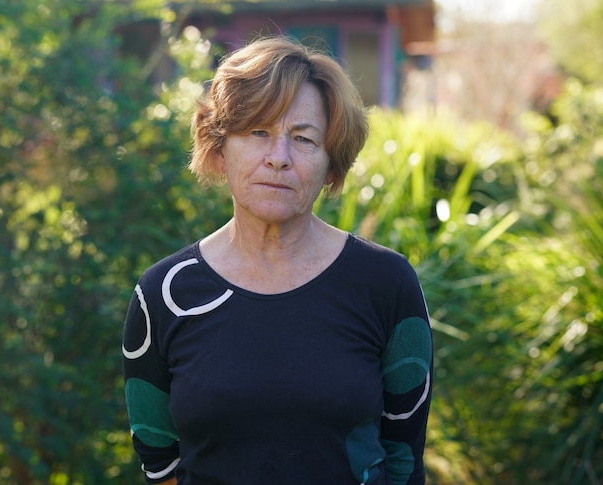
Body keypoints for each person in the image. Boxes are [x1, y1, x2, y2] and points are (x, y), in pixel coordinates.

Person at [122, 36, 433, 485]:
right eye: (258, 132)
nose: (279, 159)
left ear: (331, 165)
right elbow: (160, 465)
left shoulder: (385, 284)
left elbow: (404, 460)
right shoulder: (164, 295)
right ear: (219, 147)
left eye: (304, 139)